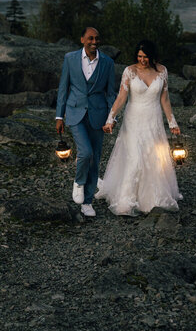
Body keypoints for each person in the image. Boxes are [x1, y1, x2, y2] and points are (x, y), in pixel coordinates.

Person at [96, 40, 182, 216]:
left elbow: (164, 99)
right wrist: (110, 118)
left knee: (153, 157)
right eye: (139, 56)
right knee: (135, 158)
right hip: (133, 119)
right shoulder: (130, 71)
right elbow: (121, 97)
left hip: (153, 119)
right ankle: (125, 201)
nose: (142, 60)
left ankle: (152, 199)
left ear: (152, 56)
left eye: (146, 57)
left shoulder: (162, 71)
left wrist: (172, 122)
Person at [55, 27, 117, 217]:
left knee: (95, 158)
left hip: (98, 115)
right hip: (75, 113)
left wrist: (111, 118)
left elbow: (110, 93)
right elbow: (63, 88)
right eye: (90, 38)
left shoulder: (107, 62)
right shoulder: (70, 59)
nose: (94, 42)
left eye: (97, 39)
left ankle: (87, 202)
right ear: (82, 39)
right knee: (85, 152)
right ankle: (79, 182)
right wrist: (59, 116)